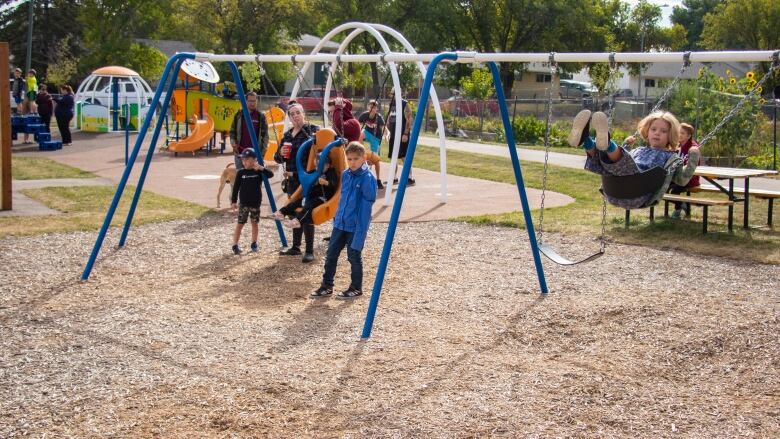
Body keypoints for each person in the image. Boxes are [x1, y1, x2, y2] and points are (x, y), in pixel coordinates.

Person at [568, 109, 700, 209]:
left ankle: (606, 143)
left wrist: (693, 157)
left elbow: (682, 180)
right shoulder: (639, 150)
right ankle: (585, 140)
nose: (657, 133)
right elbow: (623, 160)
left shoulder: (672, 158)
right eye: (653, 129)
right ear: (647, 132)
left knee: (624, 166)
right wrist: (625, 146)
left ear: (671, 135)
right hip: (614, 189)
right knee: (603, 162)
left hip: (637, 192)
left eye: (663, 131)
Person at [311, 142, 377, 299]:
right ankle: (327, 286)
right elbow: (343, 199)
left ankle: (356, 288)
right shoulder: (346, 175)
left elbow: (366, 209)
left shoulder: (368, 179)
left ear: (364, 158)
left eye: (356, 159)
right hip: (340, 224)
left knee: (354, 256)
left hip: (355, 227)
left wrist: (361, 232)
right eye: (349, 159)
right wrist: (337, 219)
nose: (352, 162)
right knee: (331, 254)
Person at [274, 102, 319, 261]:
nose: (295, 116)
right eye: (291, 114)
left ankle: (309, 250)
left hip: (308, 180)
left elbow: (321, 148)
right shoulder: (287, 135)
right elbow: (277, 158)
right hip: (292, 180)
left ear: (303, 113)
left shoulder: (313, 130)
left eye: (297, 113)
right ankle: (296, 247)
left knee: (306, 212)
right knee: (294, 212)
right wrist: (281, 153)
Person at [274, 153, 338, 230]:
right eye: (316, 166)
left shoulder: (331, 173)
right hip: (312, 196)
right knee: (296, 202)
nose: (318, 168)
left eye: (321, 166)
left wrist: (326, 182)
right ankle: (281, 213)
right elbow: (304, 176)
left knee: (309, 205)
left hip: (323, 198)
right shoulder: (315, 171)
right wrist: (291, 174)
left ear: (328, 165)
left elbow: (334, 183)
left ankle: (298, 221)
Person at [230, 149, 274, 255]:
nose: (244, 162)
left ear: (254, 160)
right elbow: (236, 188)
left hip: (255, 203)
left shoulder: (258, 171)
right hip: (244, 203)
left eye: (247, 160)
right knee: (240, 223)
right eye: (243, 160)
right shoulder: (241, 172)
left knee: (254, 223)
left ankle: (254, 243)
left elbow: (270, 174)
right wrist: (234, 201)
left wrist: (261, 168)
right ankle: (235, 245)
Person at [666, 123, 702, 218]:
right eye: (678, 132)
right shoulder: (678, 146)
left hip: (689, 179)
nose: (679, 135)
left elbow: (690, 168)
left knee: (674, 191)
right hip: (677, 177)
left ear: (689, 136)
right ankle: (682, 204)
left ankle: (678, 210)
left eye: (682, 133)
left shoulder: (693, 148)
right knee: (662, 188)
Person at [229, 91, 268, 170]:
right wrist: (233, 143)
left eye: (254, 101)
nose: (252, 103)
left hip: (255, 154)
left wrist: (262, 152)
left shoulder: (260, 116)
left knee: (255, 179)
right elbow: (232, 131)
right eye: (250, 101)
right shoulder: (239, 115)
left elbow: (265, 136)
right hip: (240, 153)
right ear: (246, 101)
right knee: (240, 177)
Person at [384, 89, 415, 186]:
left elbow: (409, 119)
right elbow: (390, 119)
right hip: (393, 134)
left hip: (402, 134)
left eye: (393, 94)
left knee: (403, 156)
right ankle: (394, 178)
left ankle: (410, 178)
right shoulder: (392, 104)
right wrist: (388, 132)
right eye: (391, 94)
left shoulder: (404, 104)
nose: (391, 96)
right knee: (393, 156)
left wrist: (405, 133)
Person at [358, 100, 385, 189]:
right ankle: (360, 151)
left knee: (375, 160)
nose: (372, 108)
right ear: (368, 107)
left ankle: (378, 180)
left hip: (376, 137)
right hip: (367, 133)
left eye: (374, 107)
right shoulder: (365, 115)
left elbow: (383, 128)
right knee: (361, 133)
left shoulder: (379, 117)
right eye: (371, 107)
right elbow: (358, 123)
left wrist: (386, 135)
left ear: (376, 109)